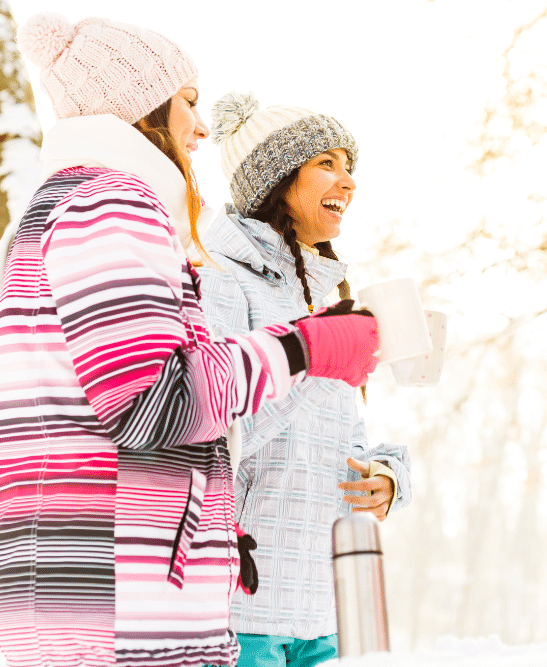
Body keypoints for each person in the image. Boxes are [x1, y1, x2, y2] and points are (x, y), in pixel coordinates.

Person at [0, 14, 379, 667]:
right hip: (122, 611)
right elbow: (152, 403)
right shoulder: (113, 205)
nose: (201, 128)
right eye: (189, 103)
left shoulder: (62, 207)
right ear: (142, 111)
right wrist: (307, 349)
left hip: (83, 593)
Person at [196, 93, 412, 667]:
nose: (349, 180)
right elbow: (218, 430)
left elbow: (346, 436)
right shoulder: (221, 280)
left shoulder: (325, 290)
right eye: (328, 163)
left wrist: (388, 478)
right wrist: (316, 358)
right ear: (277, 179)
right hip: (246, 612)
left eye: (350, 166)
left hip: (326, 606)